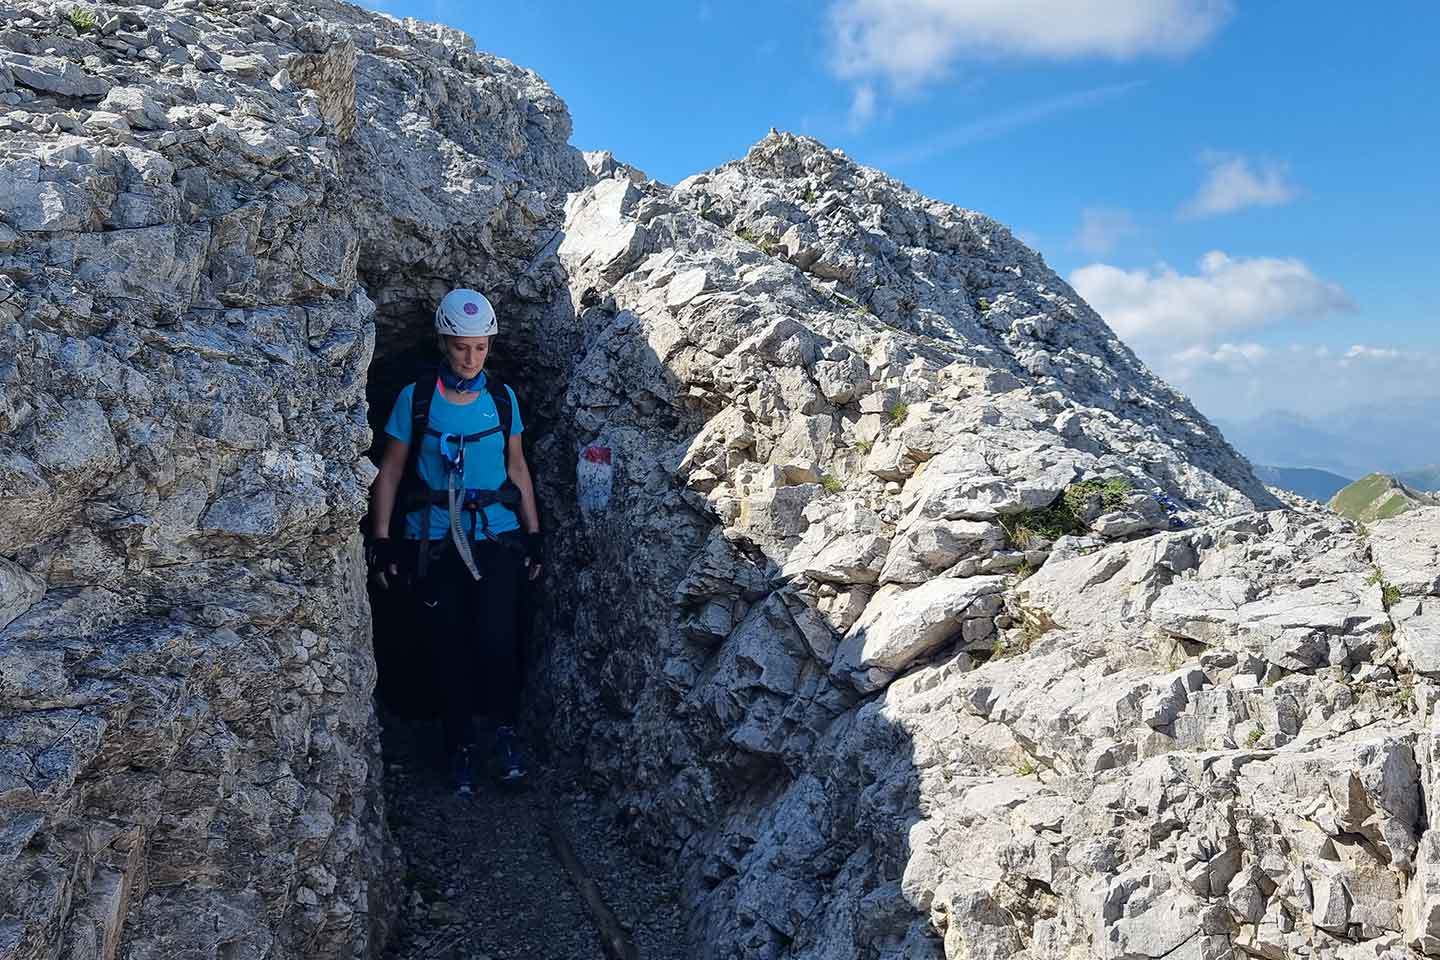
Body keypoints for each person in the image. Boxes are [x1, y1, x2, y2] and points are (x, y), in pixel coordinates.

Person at [368, 288, 543, 795]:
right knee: (448, 644)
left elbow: (518, 470)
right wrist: (383, 540)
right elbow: (391, 470)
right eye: (462, 347)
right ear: (445, 343)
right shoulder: (416, 400)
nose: (471, 358)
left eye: (480, 347)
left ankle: (505, 733)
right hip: (435, 541)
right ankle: (458, 743)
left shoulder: (502, 400)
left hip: (495, 537)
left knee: (496, 640)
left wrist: (534, 534)